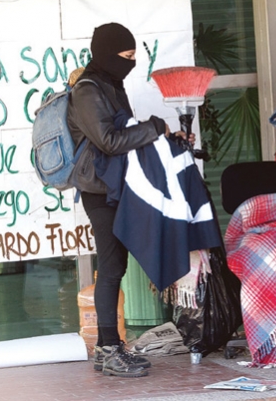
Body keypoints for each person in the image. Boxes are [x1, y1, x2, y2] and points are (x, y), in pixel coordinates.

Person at [67, 22, 192, 377]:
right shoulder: (88, 91)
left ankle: (111, 349)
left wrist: (165, 136)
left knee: (116, 267)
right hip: (100, 191)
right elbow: (108, 140)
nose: (132, 62)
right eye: (127, 56)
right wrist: (154, 128)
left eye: (135, 56)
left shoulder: (110, 84)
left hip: (118, 187)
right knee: (110, 269)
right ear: (107, 54)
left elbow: (124, 135)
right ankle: (108, 350)